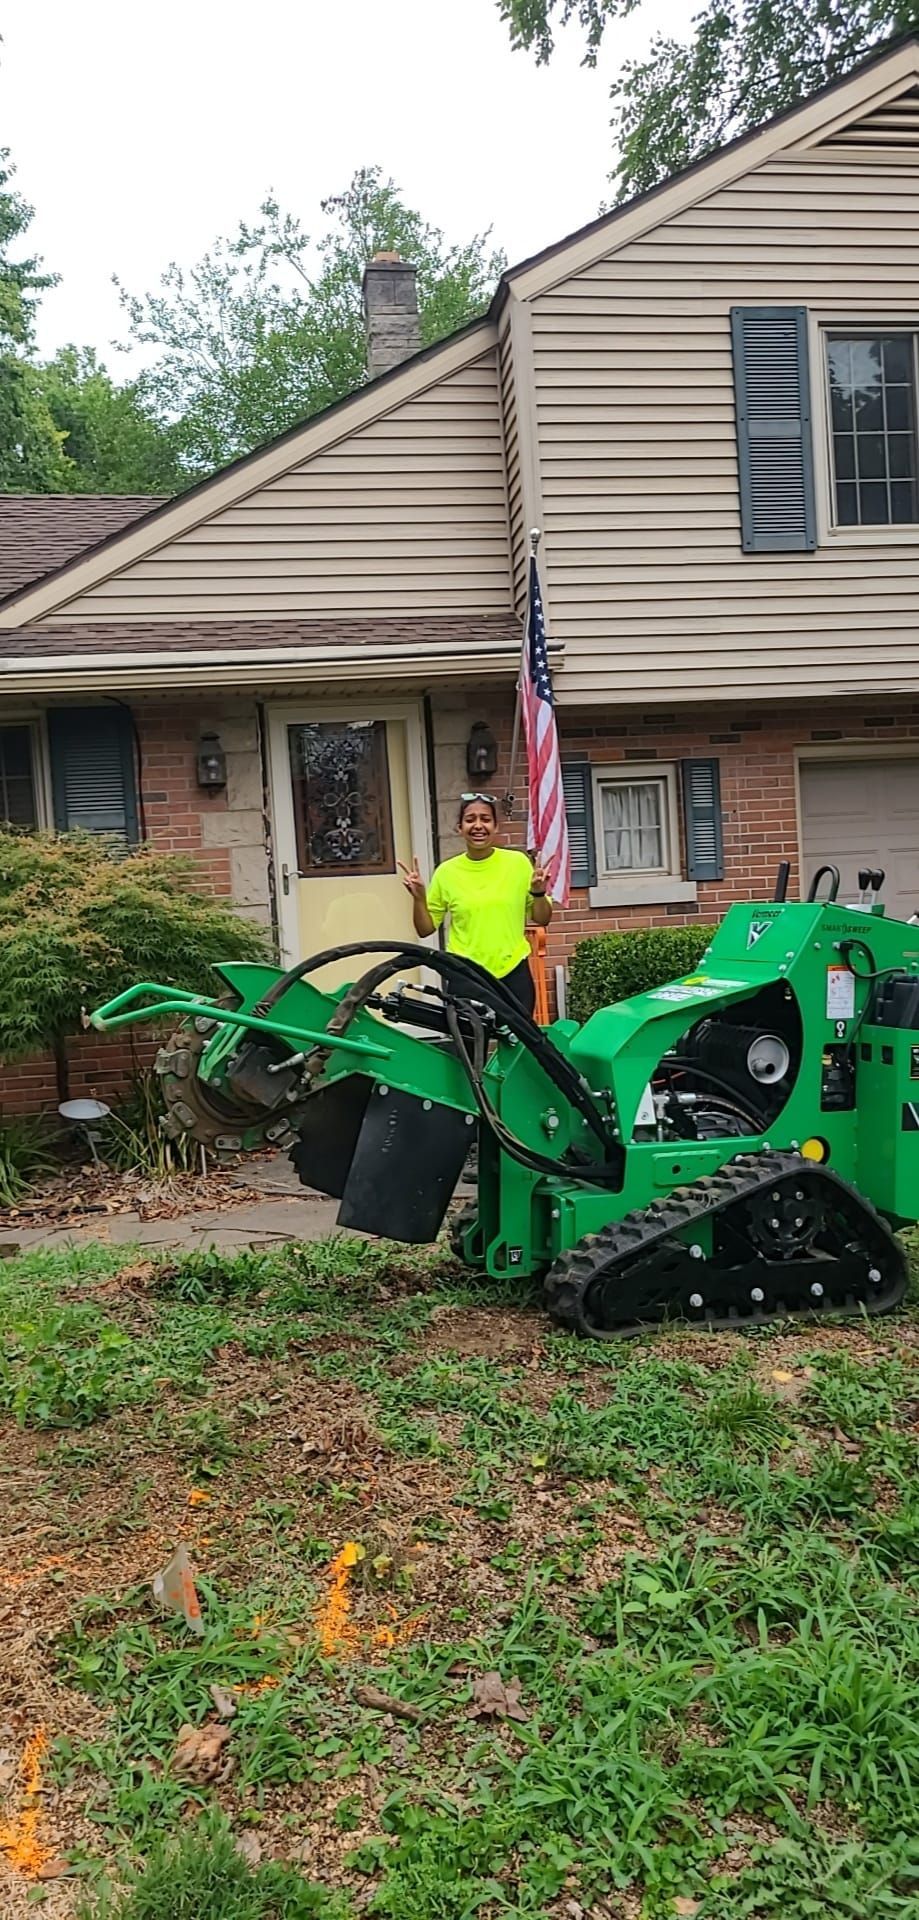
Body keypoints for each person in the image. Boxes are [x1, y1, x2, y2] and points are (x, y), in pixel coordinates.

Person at [399, 792, 552, 1018]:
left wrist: (539, 892)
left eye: (485, 819)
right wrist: (419, 898)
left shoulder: (518, 863)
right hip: (465, 975)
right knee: (470, 1048)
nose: (478, 825)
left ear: (496, 826)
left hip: (513, 973)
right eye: (470, 819)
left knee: (518, 1048)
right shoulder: (446, 873)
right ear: (459, 827)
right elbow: (425, 929)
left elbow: (542, 918)